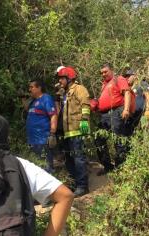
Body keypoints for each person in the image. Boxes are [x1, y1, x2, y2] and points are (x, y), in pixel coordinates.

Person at [95, 63, 136, 176]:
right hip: (104, 115)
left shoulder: (119, 79)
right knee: (98, 140)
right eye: (101, 72)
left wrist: (126, 109)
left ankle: (121, 168)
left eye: (105, 72)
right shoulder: (104, 84)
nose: (103, 74)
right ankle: (108, 166)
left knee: (118, 140)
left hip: (116, 112)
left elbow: (126, 92)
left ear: (111, 70)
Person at [56, 66, 91, 197]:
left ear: (69, 78)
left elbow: (85, 106)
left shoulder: (79, 89)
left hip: (77, 130)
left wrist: (84, 124)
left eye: (61, 78)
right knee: (69, 159)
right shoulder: (64, 93)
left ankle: (83, 186)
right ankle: (75, 184)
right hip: (67, 132)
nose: (60, 81)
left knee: (79, 159)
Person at [26, 79, 58, 173]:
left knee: (46, 167)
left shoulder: (46, 98)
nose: (29, 89)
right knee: (37, 166)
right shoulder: (33, 101)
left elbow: (53, 115)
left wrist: (52, 133)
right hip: (33, 140)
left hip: (43, 139)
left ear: (39, 88)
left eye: (32, 87)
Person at [123, 69, 149, 133]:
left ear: (135, 76)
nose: (127, 78)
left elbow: (148, 95)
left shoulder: (142, 84)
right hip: (131, 118)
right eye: (125, 76)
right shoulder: (129, 88)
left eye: (129, 76)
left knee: (143, 133)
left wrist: (148, 110)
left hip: (141, 116)